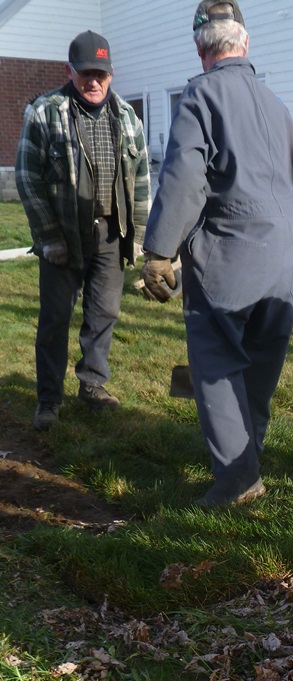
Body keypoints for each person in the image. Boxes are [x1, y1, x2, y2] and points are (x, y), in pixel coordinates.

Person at [140, 0, 293, 508]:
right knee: (258, 366)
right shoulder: (276, 105)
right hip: (284, 261)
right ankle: (249, 454)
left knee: (214, 364)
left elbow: (186, 176)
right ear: (245, 43)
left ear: (199, 47)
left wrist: (160, 251)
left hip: (229, 258)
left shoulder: (200, 95)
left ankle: (237, 479)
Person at [16, 30, 151, 431]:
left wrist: (139, 236)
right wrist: (49, 237)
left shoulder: (127, 117)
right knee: (56, 318)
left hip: (111, 233)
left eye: (101, 74)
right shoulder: (45, 112)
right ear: (70, 71)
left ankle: (92, 384)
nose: (94, 81)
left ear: (111, 73)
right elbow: (27, 178)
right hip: (63, 234)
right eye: (86, 73)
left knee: (104, 313)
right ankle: (48, 400)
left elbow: (142, 178)